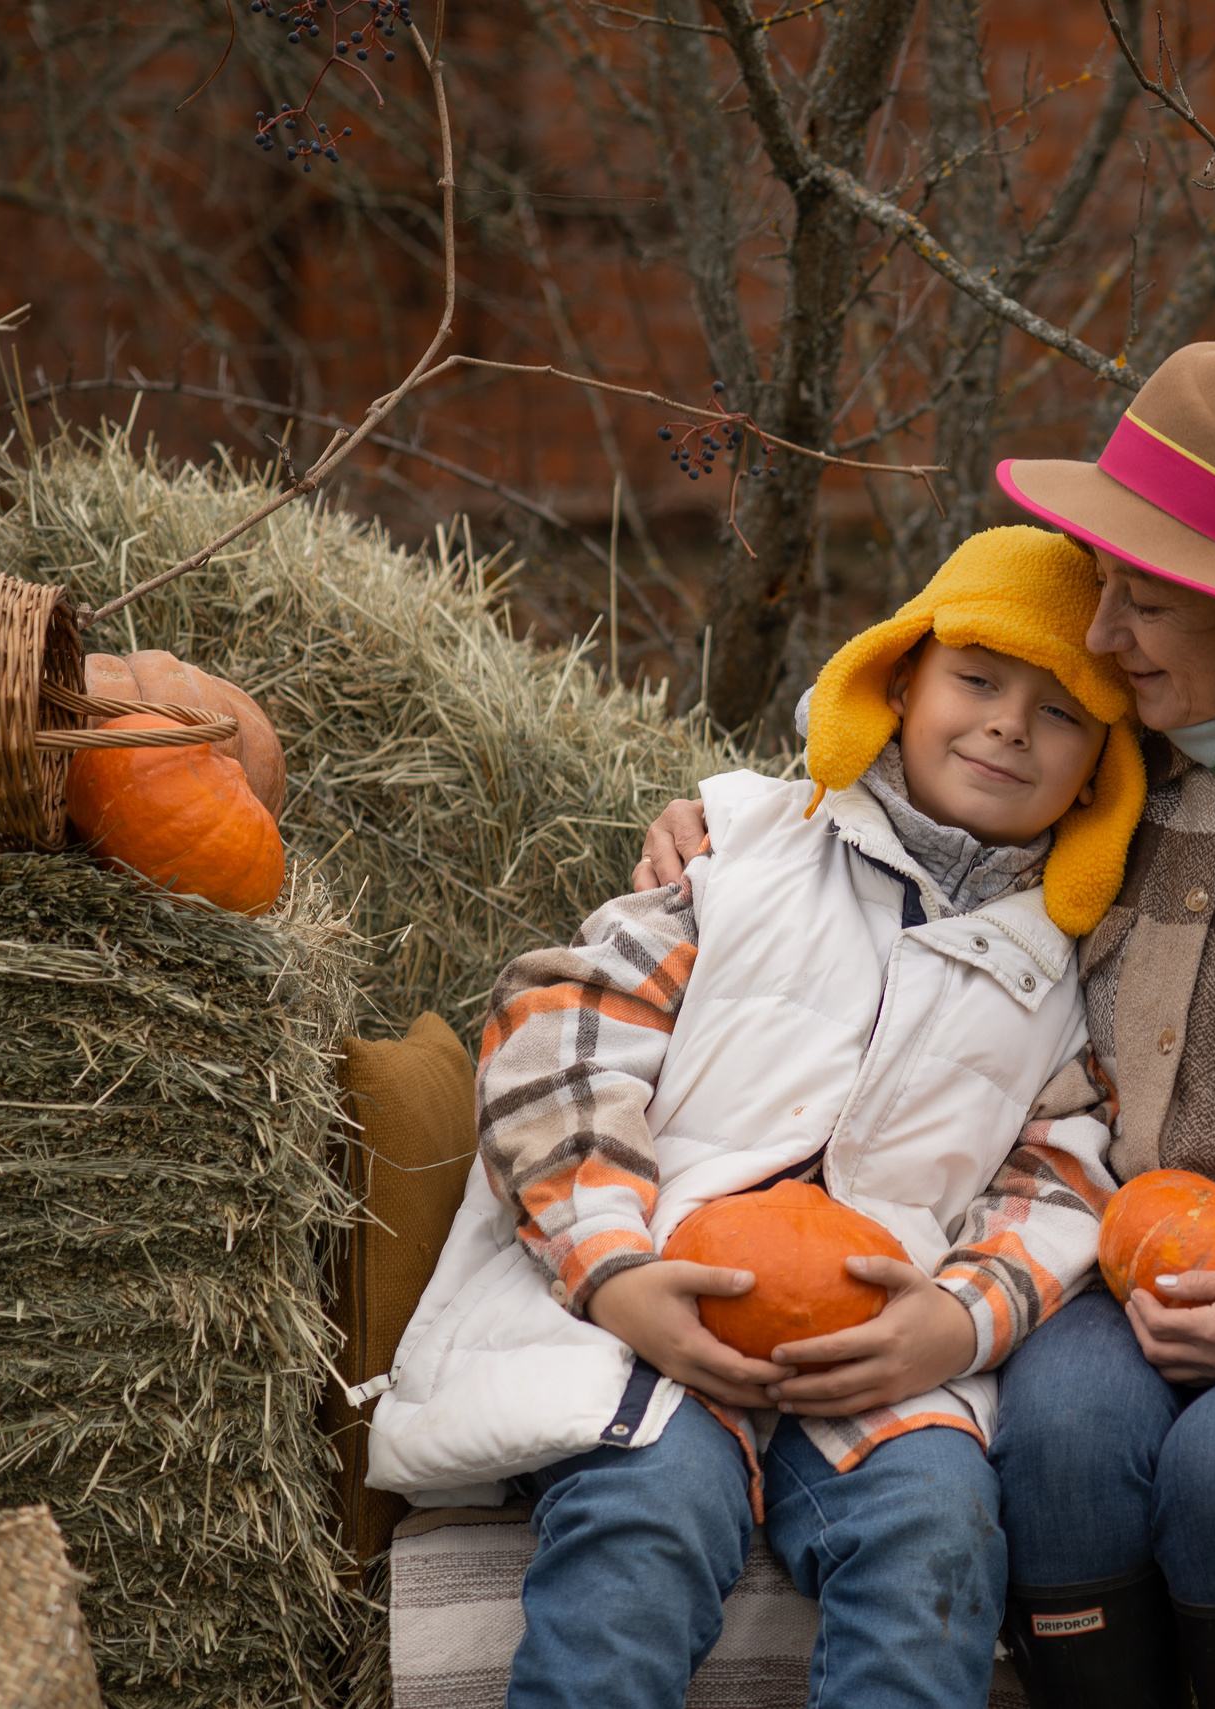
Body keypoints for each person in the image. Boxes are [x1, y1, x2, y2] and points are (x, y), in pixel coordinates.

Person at [639, 343, 1215, 1709]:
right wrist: (726, 826)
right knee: (1065, 1436)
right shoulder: (1102, 765)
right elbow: (899, 796)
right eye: (1104, 586)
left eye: (1143, 603)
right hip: (1126, 1276)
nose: (1098, 636)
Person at [366, 526, 1145, 1709]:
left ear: (1096, 769)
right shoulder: (742, 854)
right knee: (645, 1515)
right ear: (899, 682)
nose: (1006, 726)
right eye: (977, 680)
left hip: (878, 1342)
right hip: (653, 1298)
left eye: (1059, 712)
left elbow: (1061, 1177)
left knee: (936, 1534)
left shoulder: (1060, 972)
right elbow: (559, 1042)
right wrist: (612, 1268)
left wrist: (954, 1321)